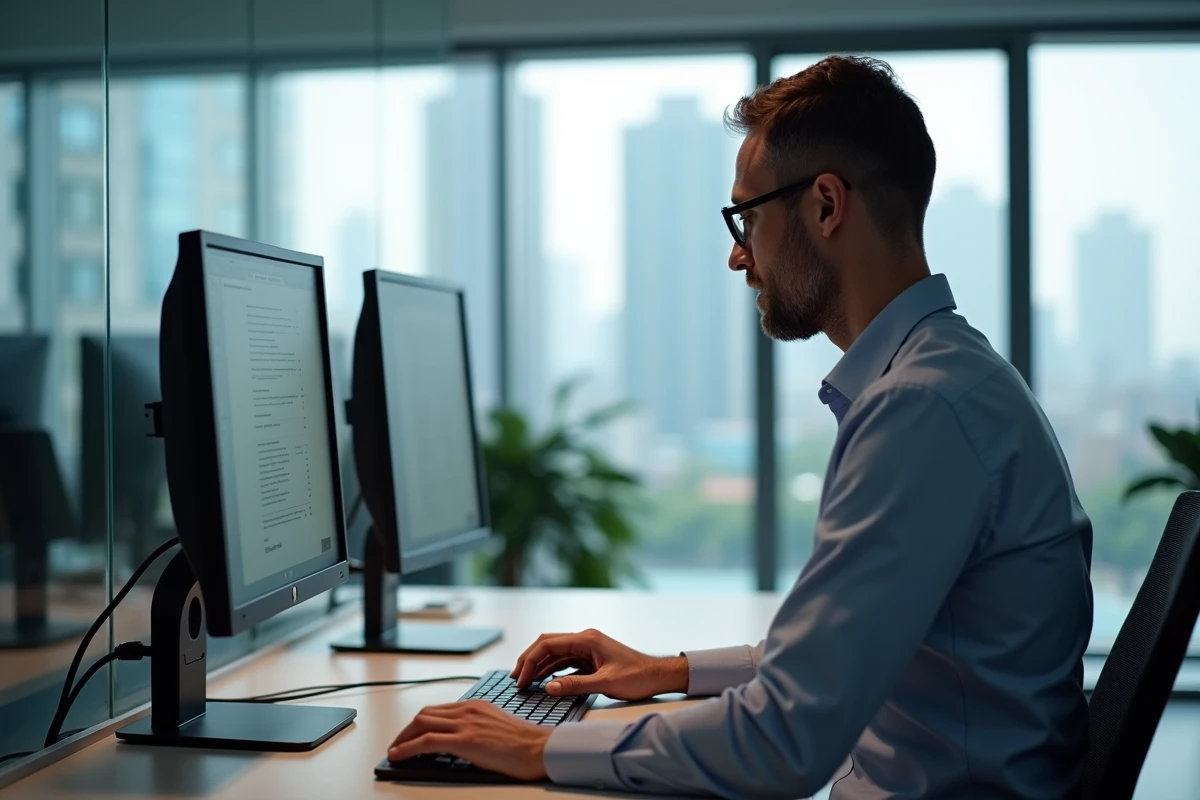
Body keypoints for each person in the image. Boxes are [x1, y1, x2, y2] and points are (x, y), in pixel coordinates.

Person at [386, 55, 1093, 799]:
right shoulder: (951, 376)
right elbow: (838, 656)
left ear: (826, 206)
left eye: (747, 218)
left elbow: (783, 739)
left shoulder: (920, 411)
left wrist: (541, 750)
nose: (737, 255)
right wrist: (666, 673)